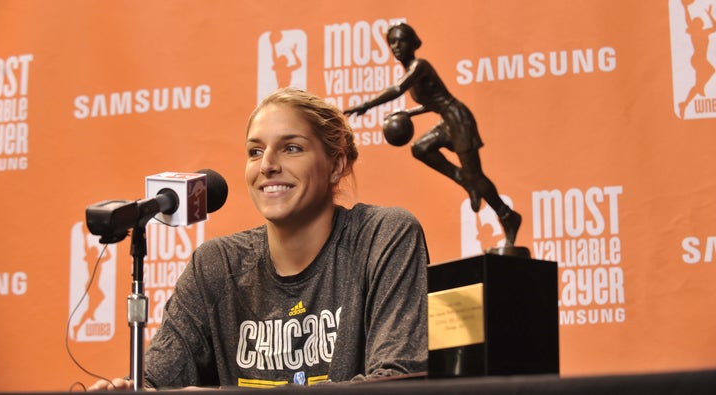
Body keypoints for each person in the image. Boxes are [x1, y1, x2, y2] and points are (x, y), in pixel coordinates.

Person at [89, 87, 429, 390]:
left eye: (291, 148)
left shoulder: (383, 237)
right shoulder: (216, 265)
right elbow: (159, 380)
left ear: (336, 165)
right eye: (254, 152)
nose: (267, 165)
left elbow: (396, 380)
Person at [344, 22, 522, 247]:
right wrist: (408, 112)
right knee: (421, 148)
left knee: (476, 175)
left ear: (413, 43)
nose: (396, 46)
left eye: (401, 40)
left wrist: (368, 104)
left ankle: (508, 216)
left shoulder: (419, 66)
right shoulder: (411, 70)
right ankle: (463, 180)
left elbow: (399, 89)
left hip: (457, 119)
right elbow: (433, 101)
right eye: (392, 42)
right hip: (447, 120)